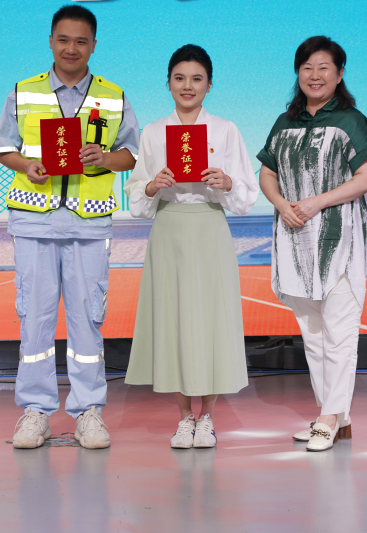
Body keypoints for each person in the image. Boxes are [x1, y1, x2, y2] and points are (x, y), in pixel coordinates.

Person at [0, 4, 140, 450]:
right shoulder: (24, 92)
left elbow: (131, 154)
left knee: (87, 322)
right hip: (33, 221)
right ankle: (35, 412)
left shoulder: (112, 96)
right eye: (63, 39)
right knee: (34, 323)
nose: (71, 48)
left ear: (94, 45)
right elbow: (4, 147)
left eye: (80, 41)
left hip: (88, 223)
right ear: (50, 42)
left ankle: (88, 412)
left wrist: (105, 158)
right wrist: (26, 165)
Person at [124, 44, 258, 449]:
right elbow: (136, 197)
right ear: (168, 83)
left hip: (209, 227)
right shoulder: (153, 132)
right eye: (179, 78)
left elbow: (245, 195)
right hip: (168, 229)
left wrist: (226, 183)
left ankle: (208, 417)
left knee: (210, 320)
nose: (188, 86)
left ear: (209, 85)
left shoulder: (226, 130)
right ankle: (184, 417)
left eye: (197, 78)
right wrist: (152, 185)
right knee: (174, 320)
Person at [256, 36, 367, 452]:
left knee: (340, 333)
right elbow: (267, 172)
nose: (315, 74)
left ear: (339, 74)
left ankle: (329, 418)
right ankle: (337, 416)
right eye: (307, 67)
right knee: (313, 335)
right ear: (298, 73)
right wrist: (281, 204)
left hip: (339, 240)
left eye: (324, 67)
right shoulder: (284, 122)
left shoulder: (351, 121)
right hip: (295, 240)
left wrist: (316, 202)